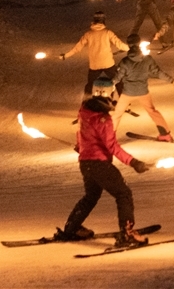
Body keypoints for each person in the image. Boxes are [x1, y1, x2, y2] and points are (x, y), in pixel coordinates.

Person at [56, 77, 150, 248]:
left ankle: (71, 228)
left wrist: (81, 147)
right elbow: (112, 146)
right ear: (109, 92)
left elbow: (81, 133)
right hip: (100, 164)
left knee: (91, 196)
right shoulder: (103, 119)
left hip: (86, 163)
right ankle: (127, 234)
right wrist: (134, 162)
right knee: (124, 194)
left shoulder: (84, 111)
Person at [110, 35, 174, 139]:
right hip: (143, 92)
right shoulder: (147, 59)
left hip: (128, 93)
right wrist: (172, 80)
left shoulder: (125, 62)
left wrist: (109, 85)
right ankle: (166, 135)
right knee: (153, 111)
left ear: (128, 45)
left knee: (117, 114)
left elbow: (117, 78)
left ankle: (109, 138)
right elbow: (158, 72)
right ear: (139, 43)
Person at [60, 11, 130, 97]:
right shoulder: (108, 32)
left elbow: (77, 48)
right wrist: (132, 49)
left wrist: (65, 55)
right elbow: (120, 45)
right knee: (119, 82)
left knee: (90, 84)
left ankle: (86, 102)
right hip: (108, 63)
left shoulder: (88, 34)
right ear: (103, 20)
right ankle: (124, 102)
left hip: (94, 65)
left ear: (94, 21)